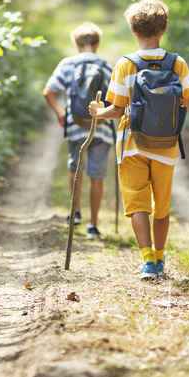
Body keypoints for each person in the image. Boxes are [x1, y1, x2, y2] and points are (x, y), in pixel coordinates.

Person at [89, 0, 189, 280]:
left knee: (138, 203)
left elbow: (116, 109)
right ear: (163, 29)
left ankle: (148, 260)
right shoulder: (178, 63)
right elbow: (186, 101)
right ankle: (161, 258)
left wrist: (97, 112)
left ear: (132, 30)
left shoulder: (125, 64)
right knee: (161, 206)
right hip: (166, 145)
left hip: (132, 144)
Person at [43, 22, 115, 239]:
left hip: (75, 126)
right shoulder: (106, 66)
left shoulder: (67, 65)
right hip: (101, 128)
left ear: (76, 44)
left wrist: (59, 113)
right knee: (97, 174)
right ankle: (93, 224)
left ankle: (75, 213)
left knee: (76, 168)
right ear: (97, 43)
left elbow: (48, 91)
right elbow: (118, 98)